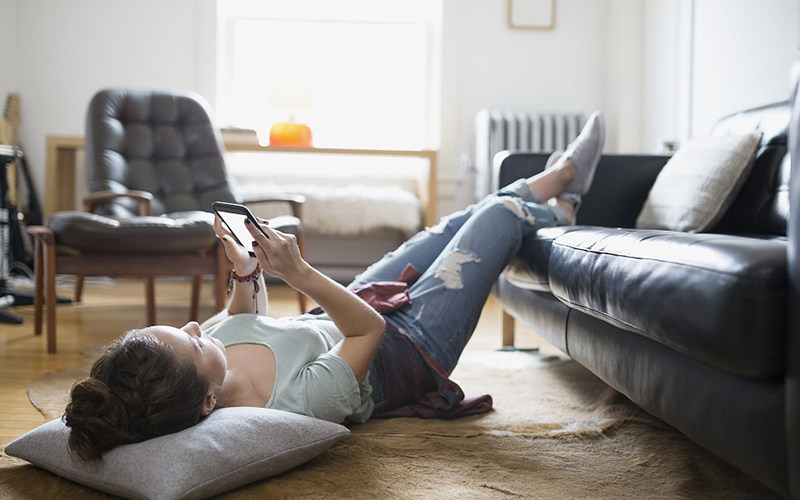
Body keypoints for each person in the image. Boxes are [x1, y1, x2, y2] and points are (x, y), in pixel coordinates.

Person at [64, 112, 605, 460]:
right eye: (196, 339)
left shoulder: (200, 362)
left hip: (345, 311)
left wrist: (246, 270)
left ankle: (558, 198)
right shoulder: (292, 406)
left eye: (185, 330)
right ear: (207, 405)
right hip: (408, 347)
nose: (194, 326)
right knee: (502, 214)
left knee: (453, 223)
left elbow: (242, 316)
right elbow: (367, 333)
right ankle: (558, 189)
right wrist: (297, 273)